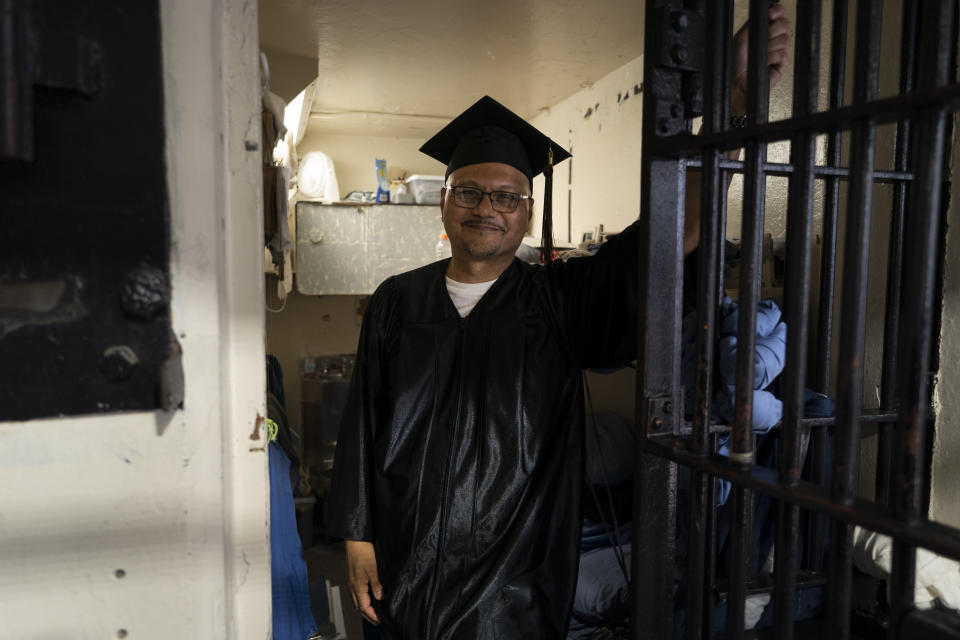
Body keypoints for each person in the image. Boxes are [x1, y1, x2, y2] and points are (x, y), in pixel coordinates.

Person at [327, 9, 791, 639]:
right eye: (469, 191)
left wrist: (733, 115)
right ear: (445, 199)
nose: (487, 207)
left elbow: (665, 237)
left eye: (507, 195)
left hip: (510, 592)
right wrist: (356, 536)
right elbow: (362, 425)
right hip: (401, 573)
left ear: (527, 212)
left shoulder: (558, 304)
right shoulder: (394, 302)